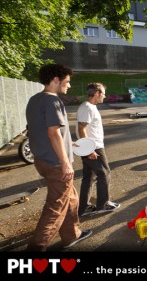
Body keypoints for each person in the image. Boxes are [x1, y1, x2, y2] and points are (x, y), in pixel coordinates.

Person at [25, 63, 92, 251]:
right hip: (56, 163)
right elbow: (53, 132)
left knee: (71, 198)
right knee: (55, 209)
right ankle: (36, 248)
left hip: (42, 160)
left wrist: (71, 144)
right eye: (67, 82)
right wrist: (65, 163)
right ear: (56, 79)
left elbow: (40, 130)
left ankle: (72, 235)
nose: (69, 86)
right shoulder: (53, 101)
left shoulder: (34, 100)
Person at [76, 83, 120, 217]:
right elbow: (81, 128)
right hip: (93, 147)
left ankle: (83, 208)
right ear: (97, 93)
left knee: (89, 177)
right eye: (104, 94)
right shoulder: (87, 107)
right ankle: (103, 204)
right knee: (104, 173)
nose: (105, 97)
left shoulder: (89, 107)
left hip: (90, 147)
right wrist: (89, 150)